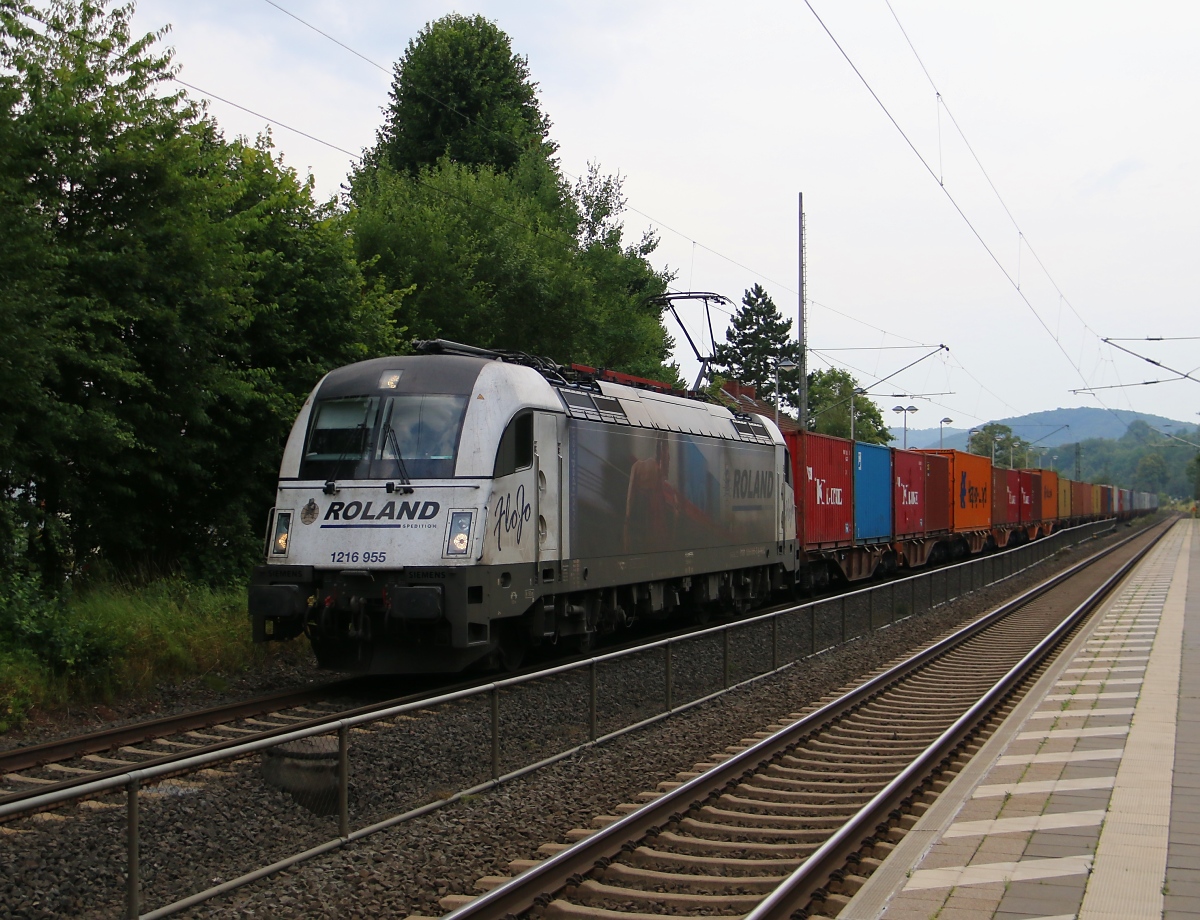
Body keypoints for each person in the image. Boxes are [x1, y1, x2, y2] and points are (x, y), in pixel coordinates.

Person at [623, 432, 678, 553]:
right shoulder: (657, 469)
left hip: (643, 513)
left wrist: (627, 522)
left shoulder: (636, 467)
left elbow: (630, 498)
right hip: (655, 515)